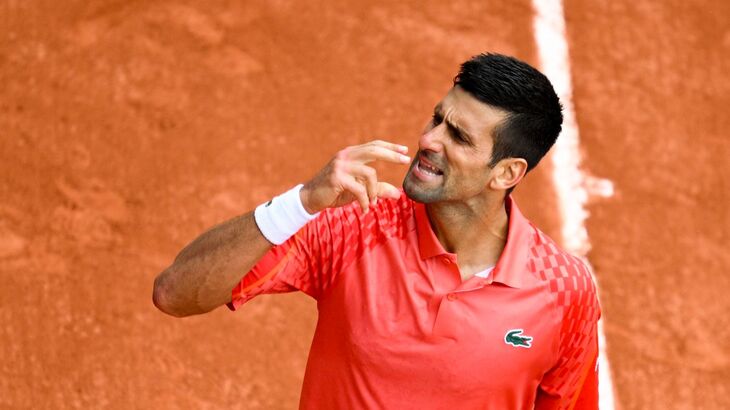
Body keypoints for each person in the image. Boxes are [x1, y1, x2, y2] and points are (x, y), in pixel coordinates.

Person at [153, 53, 601, 409]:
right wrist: (301, 203)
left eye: (459, 137)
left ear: (506, 173)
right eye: (437, 120)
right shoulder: (356, 223)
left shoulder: (564, 290)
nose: (429, 140)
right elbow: (174, 294)